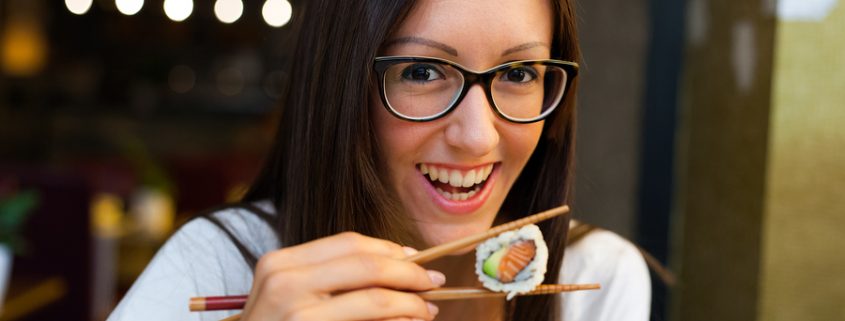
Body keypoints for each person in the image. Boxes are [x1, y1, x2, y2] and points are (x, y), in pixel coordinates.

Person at [107, 0, 651, 320]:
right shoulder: (217, 264)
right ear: (341, 86)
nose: (477, 137)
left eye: (517, 74)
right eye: (420, 72)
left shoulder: (596, 278)